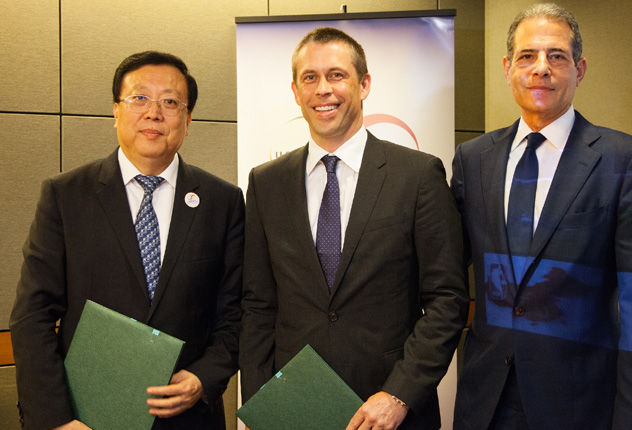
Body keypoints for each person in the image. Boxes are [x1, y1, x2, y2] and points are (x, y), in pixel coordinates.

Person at [239, 27, 469, 430]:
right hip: (294, 408)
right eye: (310, 78)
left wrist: (400, 394)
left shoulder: (417, 175)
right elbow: (258, 305)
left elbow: (447, 299)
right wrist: (262, 407)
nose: (322, 89)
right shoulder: (266, 182)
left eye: (336, 75)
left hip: (389, 410)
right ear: (295, 91)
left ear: (364, 85)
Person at [451, 4, 632, 429]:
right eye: (527, 56)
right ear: (507, 68)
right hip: (485, 402)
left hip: (580, 405)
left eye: (556, 56)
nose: (541, 68)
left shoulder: (626, 160)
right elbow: (446, 276)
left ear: (579, 69)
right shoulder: (473, 159)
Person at [10, 51, 244, 430]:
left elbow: (235, 312)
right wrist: (56, 419)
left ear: (187, 121)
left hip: (188, 418)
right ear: (116, 111)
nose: (154, 113)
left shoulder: (223, 202)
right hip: (86, 417)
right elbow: (32, 314)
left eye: (170, 102)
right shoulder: (66, 196)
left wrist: (204, 377)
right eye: (139, 98)